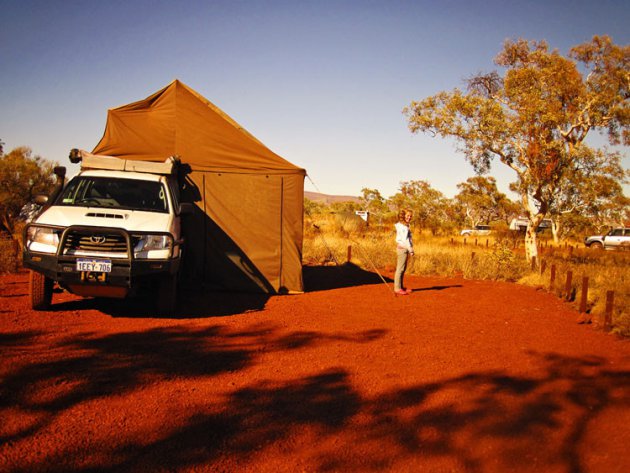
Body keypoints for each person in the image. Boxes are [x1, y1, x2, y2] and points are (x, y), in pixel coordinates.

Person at [394, 209, 414, 295]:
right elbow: (405, 240)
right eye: (407, 216)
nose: (409, 217)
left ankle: (400, 287)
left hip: (404, 248)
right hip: (403, 248)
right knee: (400, 269)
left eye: (410, 216)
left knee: (402, 269)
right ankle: (397, 288)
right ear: (403, 216)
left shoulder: (404, 225)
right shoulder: (403, 227)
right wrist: (411, 250)